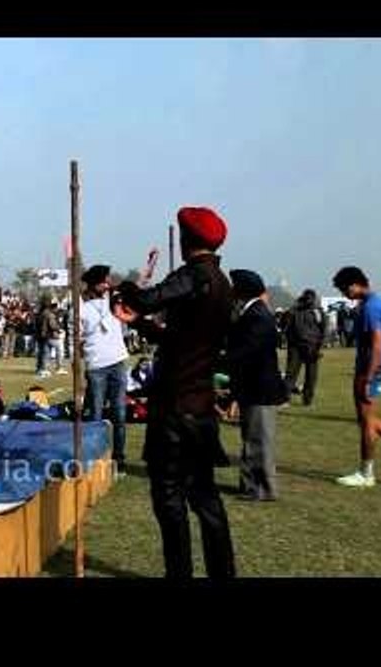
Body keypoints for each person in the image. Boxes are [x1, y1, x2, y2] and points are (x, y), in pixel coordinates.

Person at [113, 206, 236, 578]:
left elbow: (148, 298)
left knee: (168, 497)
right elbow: (182, 340)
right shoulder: (223, 283)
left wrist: (126, 289)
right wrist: (145, 326)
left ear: (187, 241)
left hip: (173, 408)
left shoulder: (195, 275)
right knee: (206, 498)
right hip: (200, 407)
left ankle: (178, 572)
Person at [227, 270, 289, 501]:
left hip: (260, 388)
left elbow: (246, 352)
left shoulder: (257, 316)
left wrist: (218, 360)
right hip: (255, 386)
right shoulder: (254, 312)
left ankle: (261, 488)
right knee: (253, 438)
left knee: (258, 440)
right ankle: (252, 485)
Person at [332, 266, 381, 487]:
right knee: (367, 420)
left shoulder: (371, 308)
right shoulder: (376, 303)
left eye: (344, 289)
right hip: (376, 367)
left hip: (369, 369)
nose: (344, 294)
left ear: (355, 284)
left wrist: (370, 377)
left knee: (366, 421)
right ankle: (366, 471)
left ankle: (366, 473)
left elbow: (376, 343)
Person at [80, 264, 130, 474]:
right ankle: (93, 459)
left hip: (118, 361)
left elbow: (137, 290)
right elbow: (76, 340)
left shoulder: (114, 301)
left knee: (119, 412)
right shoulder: (80, 308)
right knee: (96, 416)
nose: (108, 284)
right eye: (104, 281)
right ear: (95, 284)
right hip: (97, 366)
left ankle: (119, 459)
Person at [284, 288, 325, 407]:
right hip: (299, 346)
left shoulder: (317, 312)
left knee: (308, 375)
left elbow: (323, 329)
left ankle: (306, 400)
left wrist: (319, 346)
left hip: (310, 346)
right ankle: (290, 398)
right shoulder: (294, 311)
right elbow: (285, 325)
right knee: (293, 374)